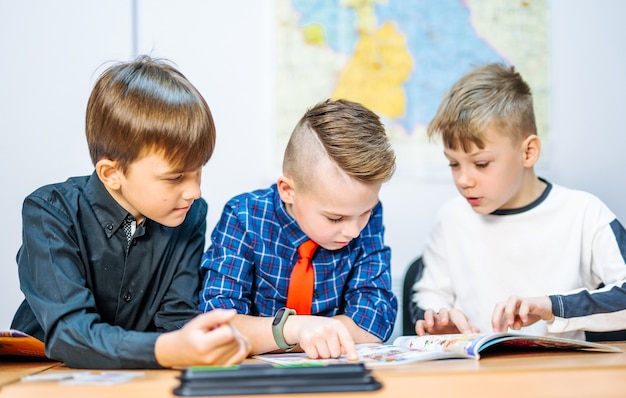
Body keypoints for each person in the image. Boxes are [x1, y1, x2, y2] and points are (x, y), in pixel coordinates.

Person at [10, 55, 250, 369]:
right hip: (40, 375)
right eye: (175, 177)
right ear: (112, 174)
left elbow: (176, 320)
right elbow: (69, 333)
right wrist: (168, 349)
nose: (195, 191)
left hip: (142, 377)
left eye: (198, 171)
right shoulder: (49, 212)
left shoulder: (190, 215)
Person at [411, 63, 626, 339]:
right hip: (474, 376)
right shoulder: (451, 217)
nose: (464, 180)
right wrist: (438, 320)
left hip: (561, 377)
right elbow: (427, 297)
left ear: (528, 152)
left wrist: (553, 307)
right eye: (454, 163)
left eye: (481, 163)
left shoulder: (584, 213)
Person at [199, 98, 397, 359]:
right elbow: (218, 325)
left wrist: (259, 336)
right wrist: (295, 329)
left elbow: (373, 322)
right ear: (288, 190)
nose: (354, 231)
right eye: (335, 218)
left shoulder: (361, 217)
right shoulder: (243, 216)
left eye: (365, 213)